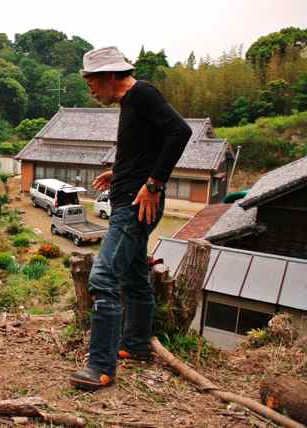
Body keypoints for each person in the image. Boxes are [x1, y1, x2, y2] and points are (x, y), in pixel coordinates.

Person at [70, 47, 192, 390]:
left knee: (103, 276)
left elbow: (180, 132)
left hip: (134, 207)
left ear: (110, 75)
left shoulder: (143, 94)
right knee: (135, 276)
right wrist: (118, 172)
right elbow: (144, 149)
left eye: (92, 82)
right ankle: (136, 345)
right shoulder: (131, 103)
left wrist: (153, 184)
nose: (91, 90)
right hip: (127, 197)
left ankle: (100, 367)